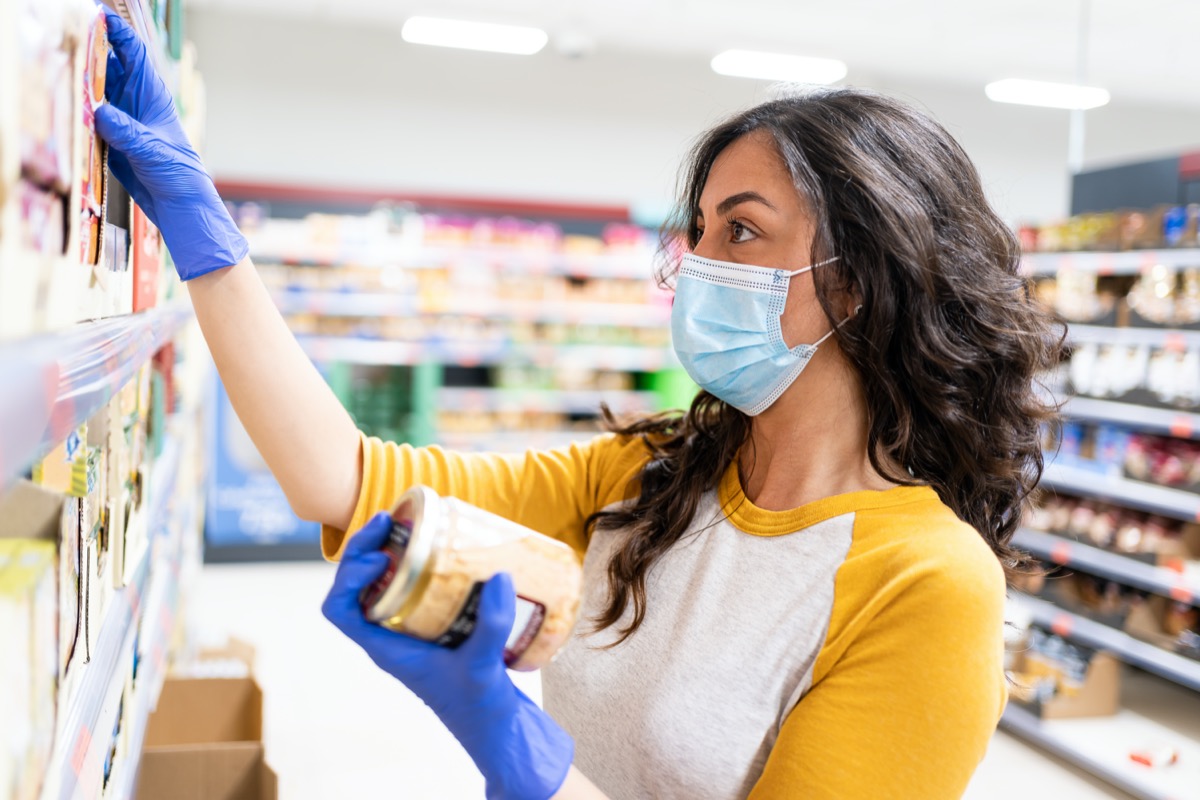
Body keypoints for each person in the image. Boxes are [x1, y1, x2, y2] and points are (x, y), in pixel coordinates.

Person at [96, 8, 1061, 799]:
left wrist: (514, 745)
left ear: (857, 285)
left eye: (741, 232)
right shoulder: (655, 475)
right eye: (697, 232)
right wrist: (209, 247)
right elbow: (342, 479)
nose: (695, 267)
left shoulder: (931, 584)